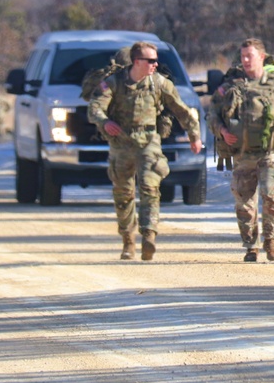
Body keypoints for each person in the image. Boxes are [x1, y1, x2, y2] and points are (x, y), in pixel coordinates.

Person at [86, 41, 203, 261]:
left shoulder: (160, 83)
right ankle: (128, 240)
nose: (155, 64)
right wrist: (104, 122)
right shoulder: (113, 83)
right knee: (124, 194)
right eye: (150, 61)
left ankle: (149, 235)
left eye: (156, 60)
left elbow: (182, 110)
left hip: (149, 140)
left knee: (150, 186)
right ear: (137, 61)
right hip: (121, 143)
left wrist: (194, 136)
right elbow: (94, 108)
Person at [210, 38, 274, 262]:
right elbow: (212, 114)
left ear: (261, 58)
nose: (245, 60)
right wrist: (222, 131)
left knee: (273, 194)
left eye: (249, 56)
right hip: (242, 154)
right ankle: (250, 245)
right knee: (245, 203)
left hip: (268, 151)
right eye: (242, 56)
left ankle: (270, 239)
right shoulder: (231, 86)